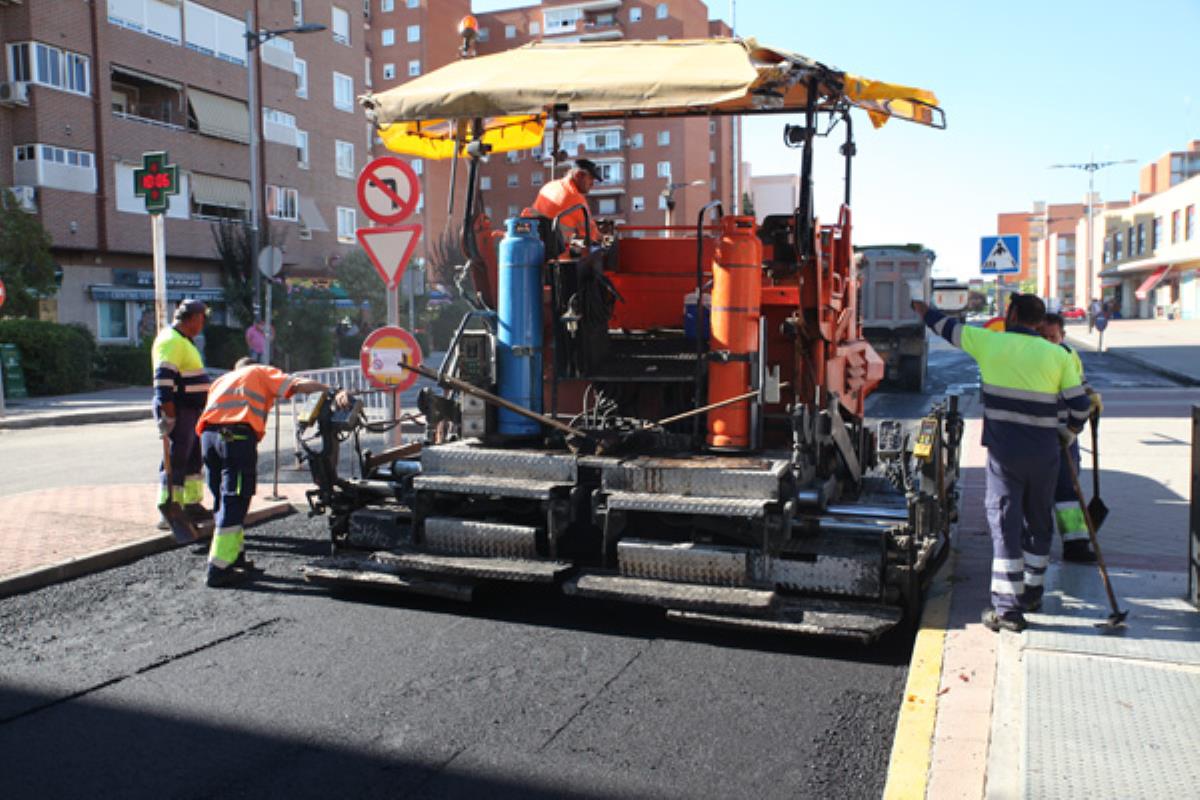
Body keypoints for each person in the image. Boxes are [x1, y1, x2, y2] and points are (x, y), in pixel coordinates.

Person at [913, 294, 1092, 632]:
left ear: (1011, 314)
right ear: (1039, 323)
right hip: (1045, 454)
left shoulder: (990, 343)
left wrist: (923, 310)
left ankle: (1008, 609)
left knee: (1006, 523)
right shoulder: (1058, 355)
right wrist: (1065, 434)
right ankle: (1033, 592)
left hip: (1005, 454)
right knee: (1039, 520)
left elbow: (947, 328)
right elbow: (1081, 406)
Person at [195, 358, 350, 587]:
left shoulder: (222, 380)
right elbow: (297, 385)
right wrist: (333, 390)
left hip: (209, 439)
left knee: (222, 498)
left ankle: (235, 557)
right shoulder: (259, 371)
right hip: (235, 436)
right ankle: (218, 568)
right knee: (236, 498)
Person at [1040, 313, 1102, 563]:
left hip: (1068, 435)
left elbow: (1080, 384)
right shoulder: (1034, 357)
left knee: (1069, 491)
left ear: (1063, 336)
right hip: (1041, 433)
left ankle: (1075, 544)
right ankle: (1036, 546)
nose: (1048, 341)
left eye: (1052, 337)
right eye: (1043, 336)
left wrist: (1091, 396)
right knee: (1038, 493)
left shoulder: (1069, 355)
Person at [151, 299, 212, 526]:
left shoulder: (183, 340)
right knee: (176, 458)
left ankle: (191, 504)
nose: (203, 324)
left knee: (193, 458)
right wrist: (169, 415)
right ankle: (169, 509)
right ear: (195, 318)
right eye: (203, 319)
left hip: (190, 409)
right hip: (179, 408)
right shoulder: (171, 341)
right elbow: (163, 382)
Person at [532, 158, 604, 247]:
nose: (592, 184)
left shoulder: (549, 186)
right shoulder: (576, 198)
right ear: (578, 175)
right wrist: (603, 238)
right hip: (559, 251)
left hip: (537, 245)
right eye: (590, 179)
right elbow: (591, 235)